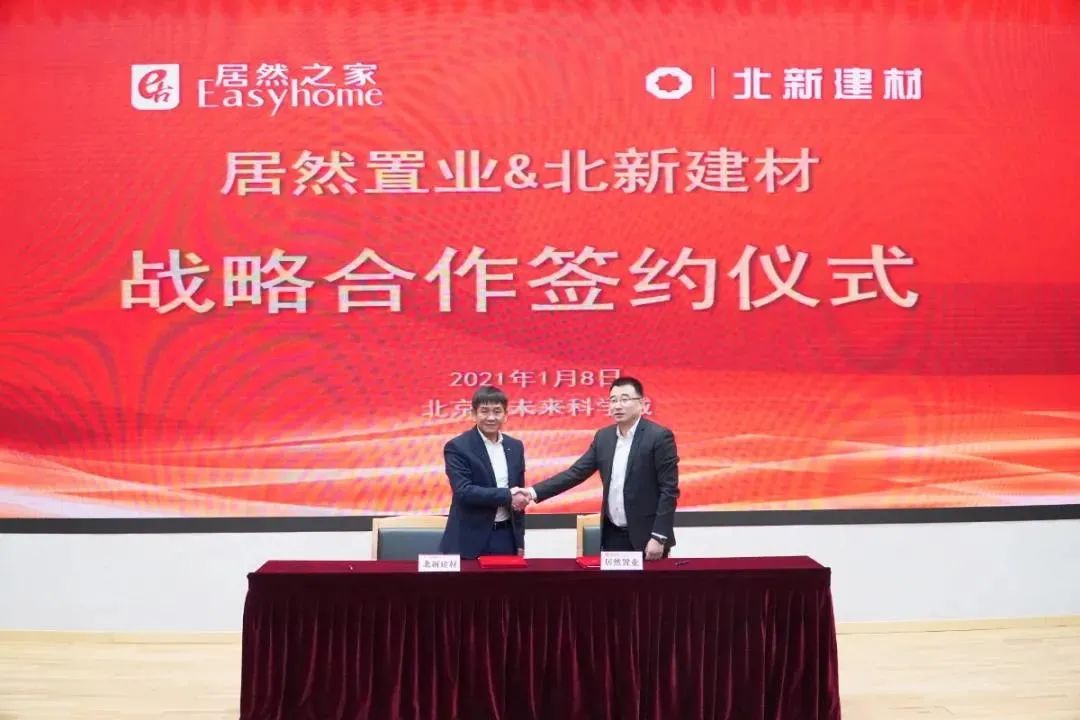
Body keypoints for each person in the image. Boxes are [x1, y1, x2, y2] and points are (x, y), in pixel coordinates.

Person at [521, 376, 679, 559]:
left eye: (625, 399)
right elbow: (575, 473)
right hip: (613, 535)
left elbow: (669, 490)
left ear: (641, 403)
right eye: (613, 400)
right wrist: (532, 493)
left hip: (648, 537)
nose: (618, 406)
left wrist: (659, 537)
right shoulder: (604, 437)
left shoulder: (659, 437)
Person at [438, 386, 531, 559]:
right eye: (484, 411)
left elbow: (518, 500)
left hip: (505, 537)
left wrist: (519, 541)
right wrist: (508, 495)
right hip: (468, 539)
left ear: (506, 415)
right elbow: (463, 491)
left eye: (497, 411)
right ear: (474, 414)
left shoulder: (515, 446)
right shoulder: (457, 447)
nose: (491, 417)